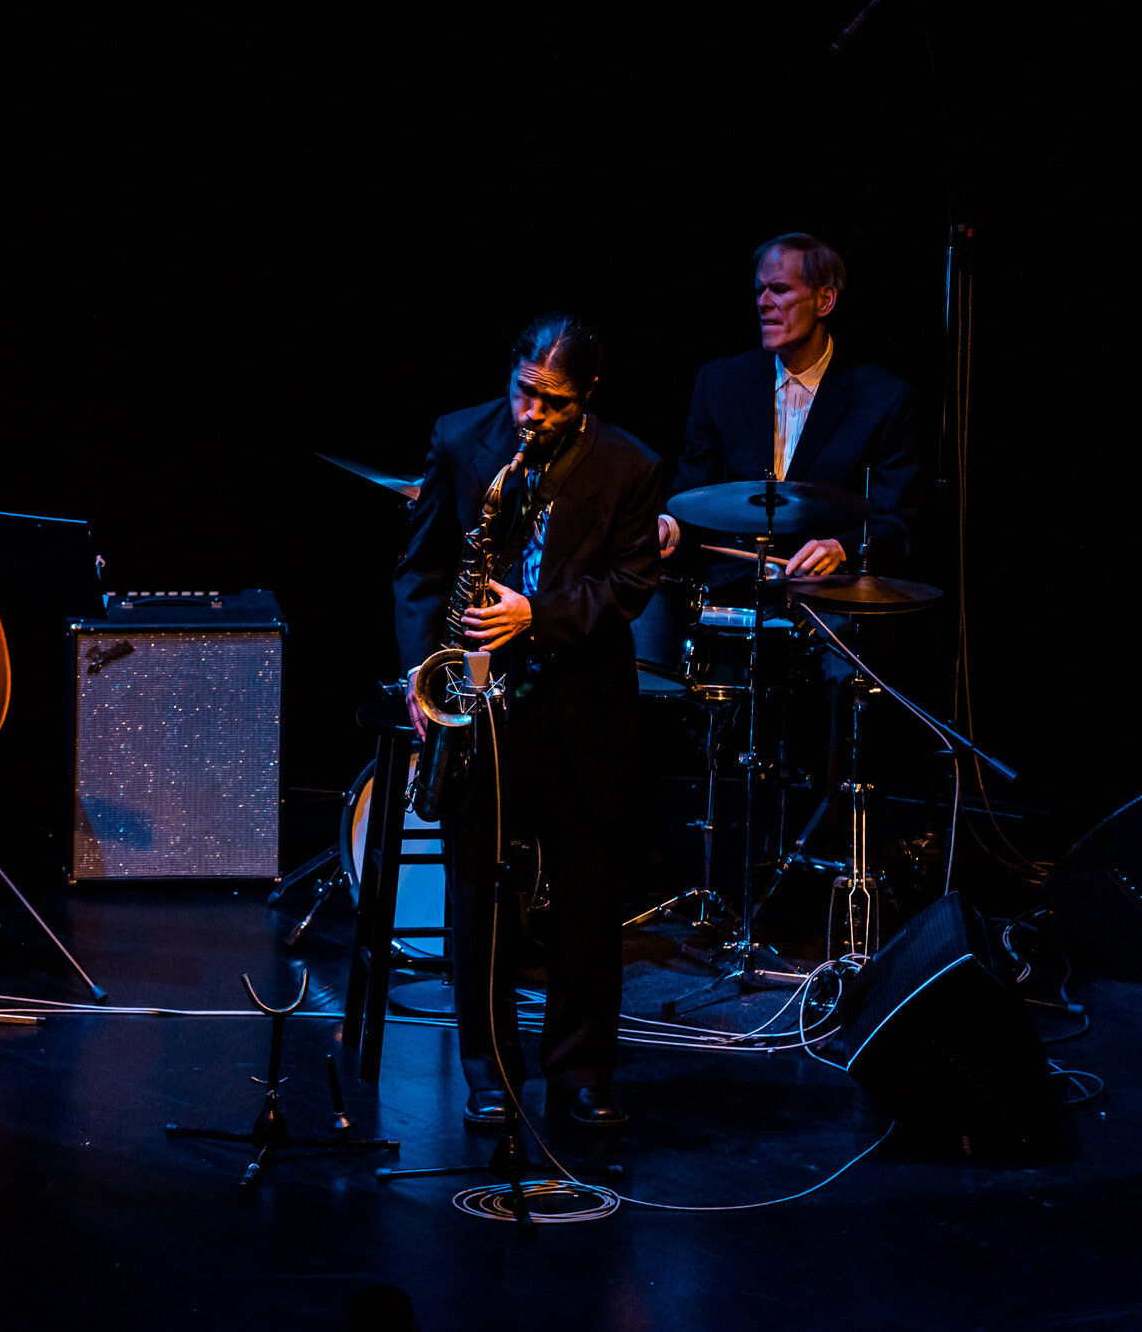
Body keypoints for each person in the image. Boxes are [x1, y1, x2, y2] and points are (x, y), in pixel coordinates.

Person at [393, 313, 663, 1130]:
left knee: (588, 901)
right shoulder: (459, 438)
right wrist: (422, 674)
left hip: (581, 703)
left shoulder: (631, 464)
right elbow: (421, 571)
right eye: (523, 392)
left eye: (553, 401)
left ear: (587, 395)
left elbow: (630, 584)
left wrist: (535, 615)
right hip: (480, 703)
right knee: (479, 899)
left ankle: (580, 1073)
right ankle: (489, 1073)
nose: (531, 414)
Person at [657, 232, 919, 570]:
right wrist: (668, 526)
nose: (763, 302)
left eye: (779, 290)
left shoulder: (884, 399)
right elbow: (691, 492)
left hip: (828, 590)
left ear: (825, 300)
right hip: (733, 585)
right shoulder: (719, 383)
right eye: (759, 290)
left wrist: (842, 548)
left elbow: (896, 523)